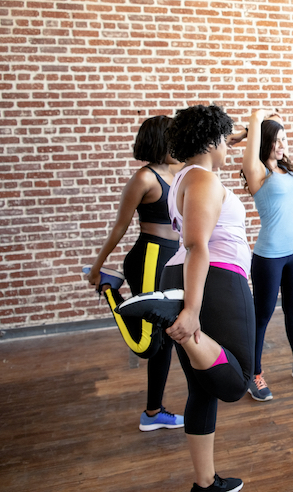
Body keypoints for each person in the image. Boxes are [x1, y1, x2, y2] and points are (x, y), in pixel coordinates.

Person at [153, 104, 254, 492]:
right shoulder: (204, 182)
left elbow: (214, 142)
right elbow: (197, 245)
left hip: (188, 275)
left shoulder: (186, 176)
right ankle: (184, 330)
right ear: (211, 141)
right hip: (216, 280)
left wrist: (237, 133)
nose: (229, 146)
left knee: (202, 388)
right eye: (224, 138)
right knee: (236, 381)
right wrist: (192, 312)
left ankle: (205, 482)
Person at [84, 115, 184, 432]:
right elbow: (119, 227)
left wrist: (244, 134)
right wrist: (98, 268)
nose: (179, 146)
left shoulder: (179, 171)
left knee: (165, 338)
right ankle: (112, 290)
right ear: (159, 142)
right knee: (146, 344)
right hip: (149, 257)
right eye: (173, 140)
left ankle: (153, 413)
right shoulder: (145, 178)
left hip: (173, 258)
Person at [240, 109, 293, 402]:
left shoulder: (285, 169)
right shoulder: (257, 171)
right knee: (261, 316)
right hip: (269, 256)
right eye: (274, 140)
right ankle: (254, 374)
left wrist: (271, 123)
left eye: (283, 139)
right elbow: (250, 152)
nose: (280, 144)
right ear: (263, 143)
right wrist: (258, 118)